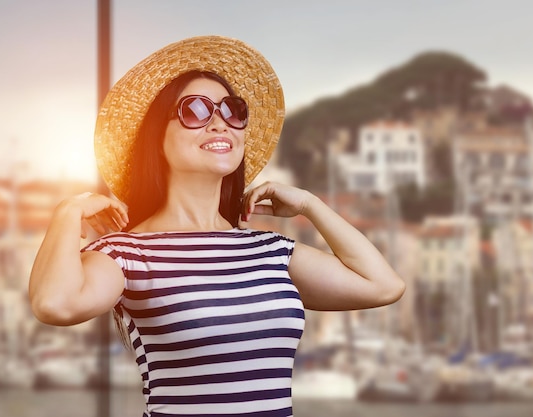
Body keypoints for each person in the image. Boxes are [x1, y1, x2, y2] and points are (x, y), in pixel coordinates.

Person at [29, 35, 405, 417]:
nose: (219, 123)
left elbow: (383, 285)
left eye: (233, 110)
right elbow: (54, 304)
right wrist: (67, 211)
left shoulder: (269, 250)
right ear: (156, 137)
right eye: (195, 110)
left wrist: (311, 204)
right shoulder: (126, 254)